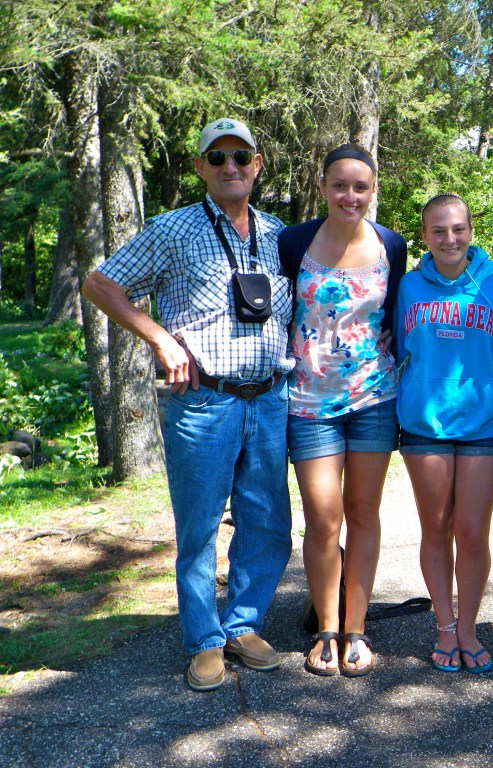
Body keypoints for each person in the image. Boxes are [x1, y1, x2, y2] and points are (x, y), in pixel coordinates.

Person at [82, 118, 293, 692]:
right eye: (217, 158)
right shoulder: (172, 229)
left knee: (269, 522)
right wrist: (160, 338)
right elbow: (100, 284)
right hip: (204, 403)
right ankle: (204, 639)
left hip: (271, 399)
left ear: (257, 165)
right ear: (200, 167)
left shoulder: (279, 235)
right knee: (198, 527)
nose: (230, 167)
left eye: (241, 156)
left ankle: (243, 626)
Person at [277, 145, 407, 677]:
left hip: (374, 399)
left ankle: (356, 629)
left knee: (363, 512)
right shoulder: (293, 241)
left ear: (373, 190)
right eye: (339, 185)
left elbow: (396, 315)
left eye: (360, 186)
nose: (349, 196)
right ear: (324, 186)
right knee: (323, 517)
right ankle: (325, 629)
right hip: (309, 402)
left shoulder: (391, 245)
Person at [394, 193, 493, 673]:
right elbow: (396, 347)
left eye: (458, 229)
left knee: (472, 532)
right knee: (436, 526)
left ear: (470, 230)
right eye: (438, 231)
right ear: (424, 236)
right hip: (424, 424)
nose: (449, 239)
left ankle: (468, 628)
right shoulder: (409, 287)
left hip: (481, 425)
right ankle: (445, 627)